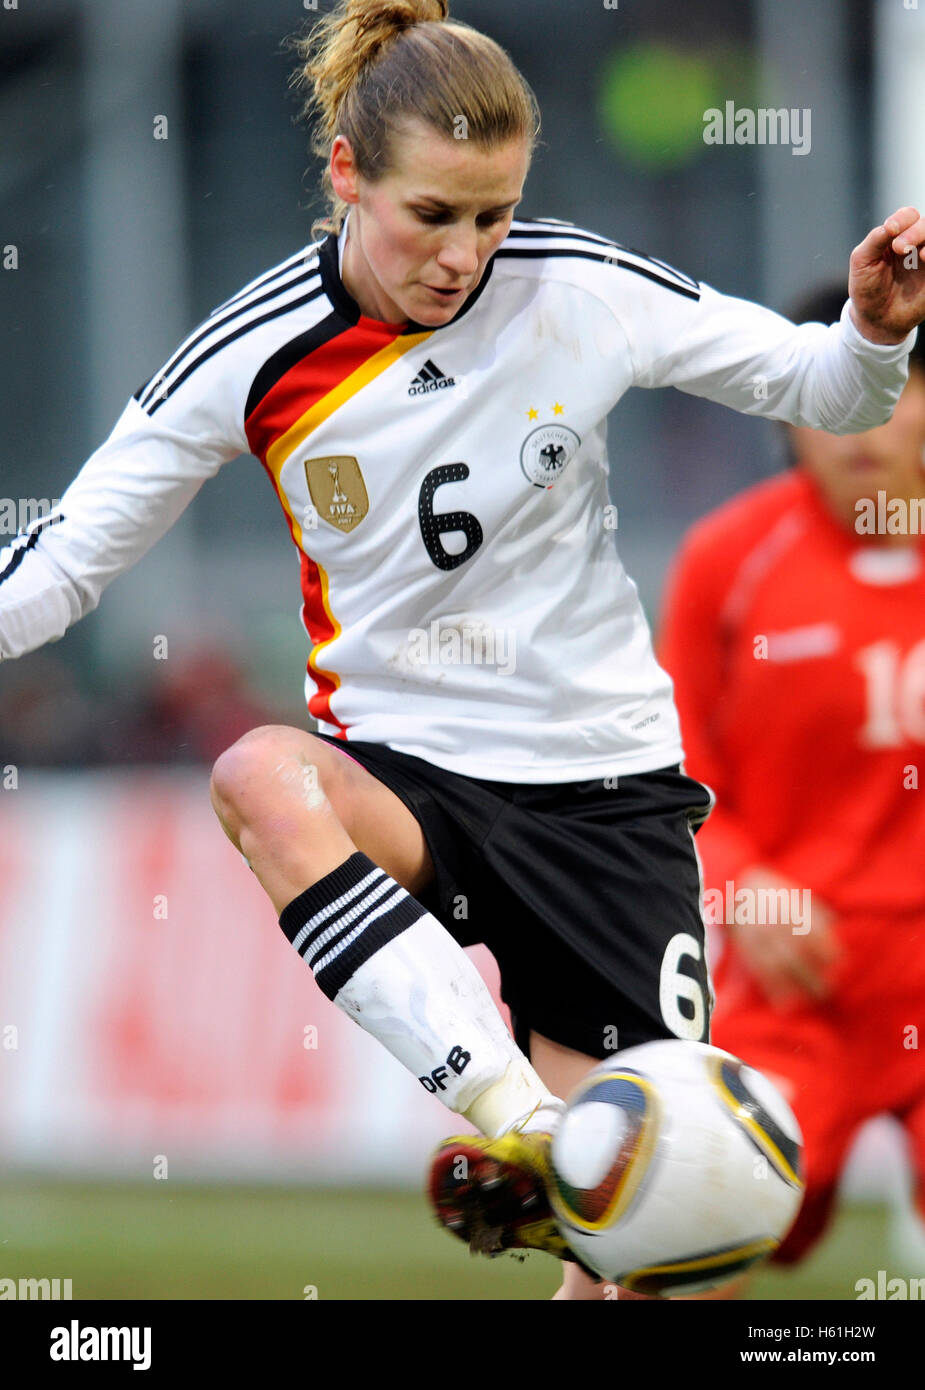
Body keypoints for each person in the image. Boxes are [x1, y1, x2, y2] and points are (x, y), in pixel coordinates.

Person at [1, 0, 923, 1301]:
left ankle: (584, 1200)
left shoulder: (580, 288)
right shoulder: (254, 351)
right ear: (345, 176)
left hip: (604, 801)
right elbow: (59, 566)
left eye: (491, 215)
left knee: (653, 1274)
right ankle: (532, 1133)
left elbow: (819, 388)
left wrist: (875, 333)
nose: (463, 253)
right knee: (265, 773)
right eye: (432, 214)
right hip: (411, 776)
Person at [657, 286, 925, 1298]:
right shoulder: (728, 562)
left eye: (892, 392)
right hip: (798, 972)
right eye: (832, 404)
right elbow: (671, 773)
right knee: (696, 1240)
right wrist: (744, 882)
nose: (863, 428)